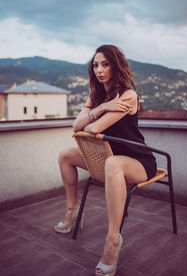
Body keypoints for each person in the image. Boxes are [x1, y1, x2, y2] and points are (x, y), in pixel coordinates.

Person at [55, 45, 157, 276]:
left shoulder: (128, 95)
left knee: (113, 163)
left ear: (116, 65)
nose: (100, 70)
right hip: (109, 157)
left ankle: (113, 239)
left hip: (137, 160)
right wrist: (103, 106)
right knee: (65, 155)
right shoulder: (97, 96)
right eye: (96, 65)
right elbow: (75, 125)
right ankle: (72, 209)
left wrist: (95, 114)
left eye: (105, 64)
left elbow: (92, 128)